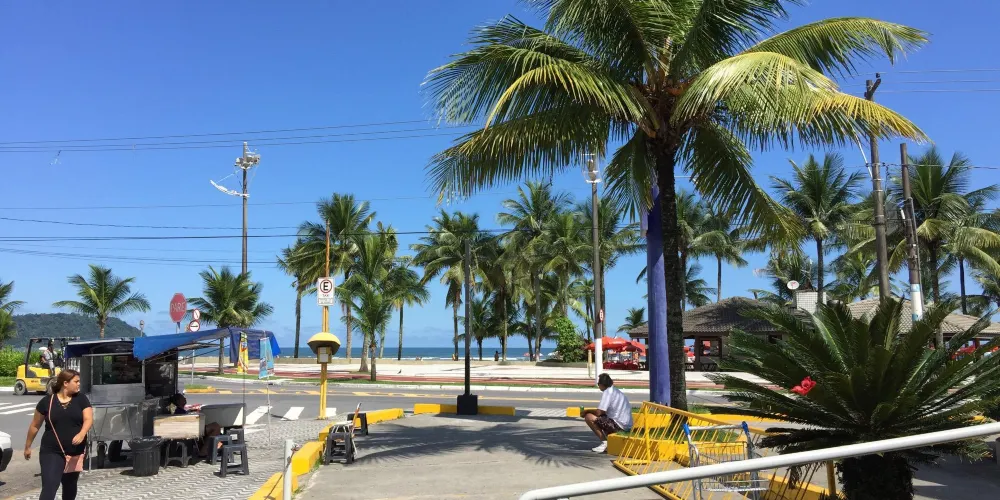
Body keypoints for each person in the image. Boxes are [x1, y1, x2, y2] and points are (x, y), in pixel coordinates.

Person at [24, 369, 93, 500]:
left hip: (75, 452)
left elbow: (88, 419)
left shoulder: (81, 399)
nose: (79, 384)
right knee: (50, 486)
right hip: (51, 450)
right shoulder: (47, 402)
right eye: (76, 381)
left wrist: (82, 433)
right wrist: (28, 446)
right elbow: (35, 425)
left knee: (69, 487)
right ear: (65, 383)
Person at [583, 373, 632, 453]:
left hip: (619, 426)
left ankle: (605, 443)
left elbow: (599, 412)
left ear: (602, 384)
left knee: (589, 417)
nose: (598, 386)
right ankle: (608, 441)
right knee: (602, 417)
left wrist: (586, 411)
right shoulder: (615, 390)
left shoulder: (608, 392)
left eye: (598, 384)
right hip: (625, 425)